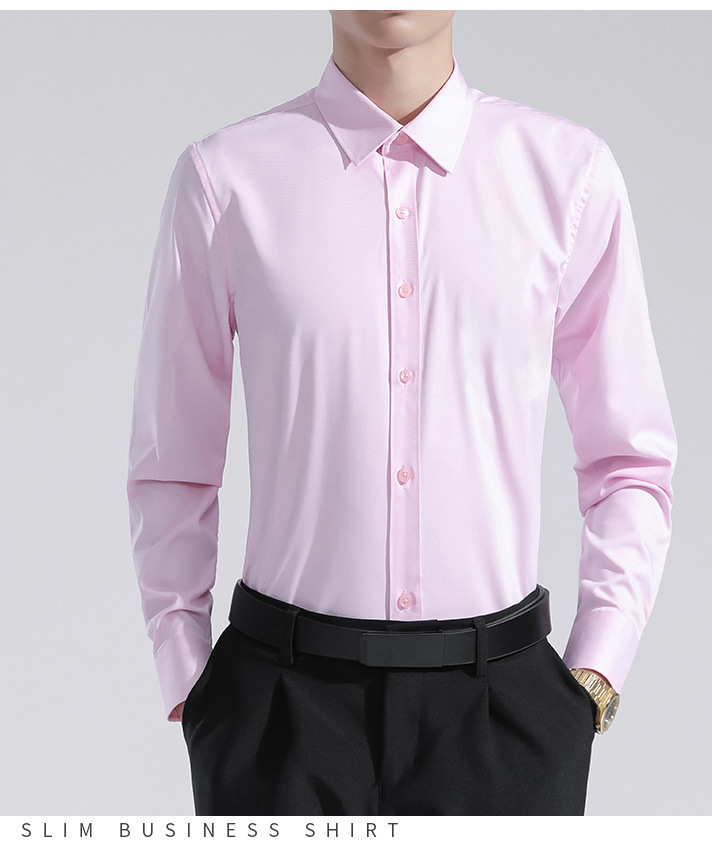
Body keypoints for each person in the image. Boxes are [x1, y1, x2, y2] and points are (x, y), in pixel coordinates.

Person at [126, 10, 677, 816]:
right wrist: (190, 674)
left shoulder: (568, 177)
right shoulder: (226, 180)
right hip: (279, 711)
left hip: (504, 714)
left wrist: (595, 669)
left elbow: (629, 459)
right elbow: (172, 458)